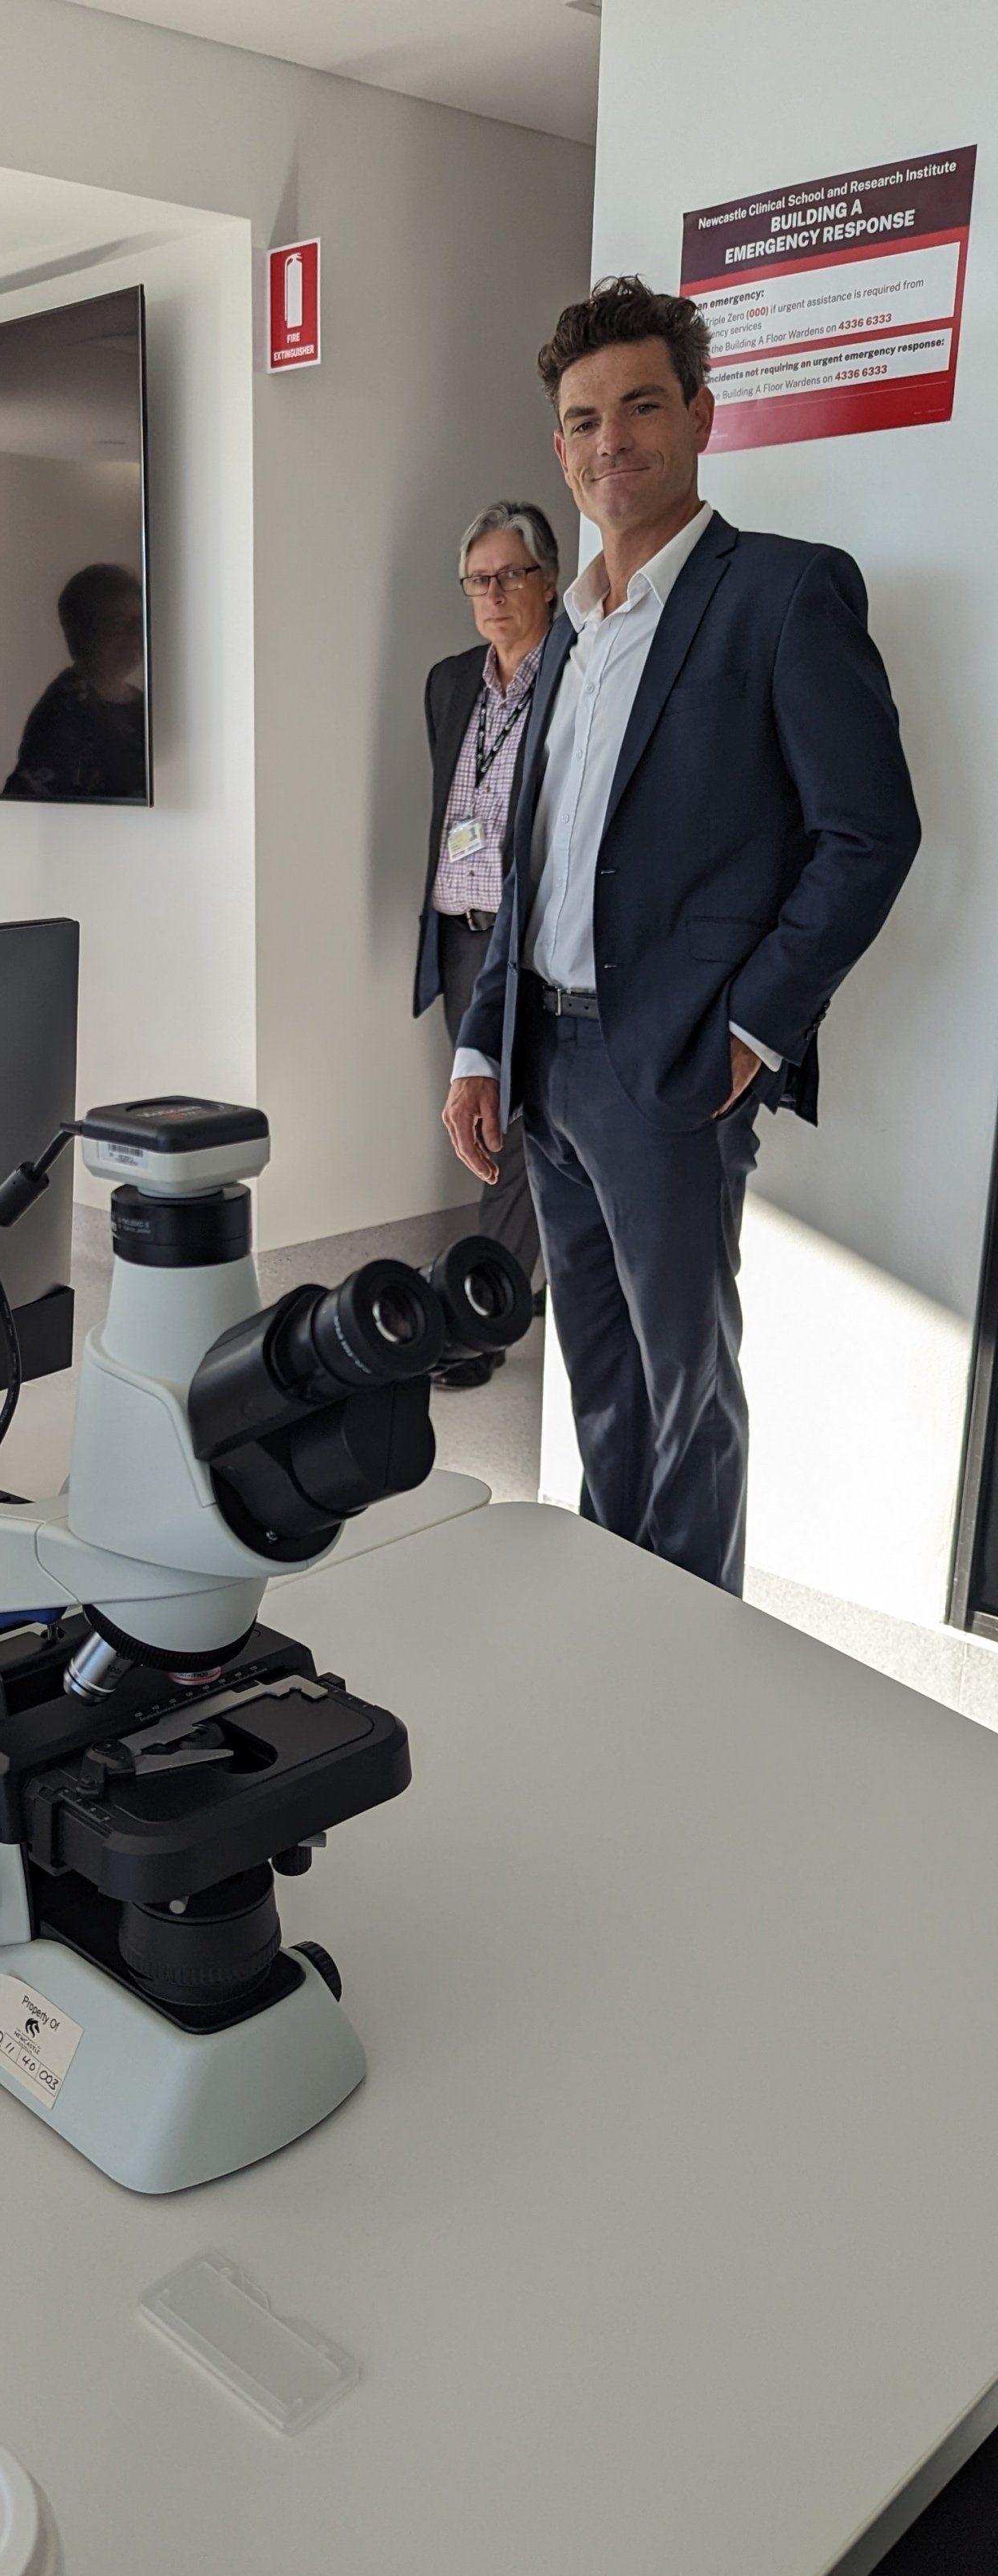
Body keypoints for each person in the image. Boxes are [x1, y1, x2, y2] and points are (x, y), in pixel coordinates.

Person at [443, 277, 920, 1594]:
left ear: (702, 415)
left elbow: (870, 834)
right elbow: (532, 858)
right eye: (585, 420)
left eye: (642, 406)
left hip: (675, 1065)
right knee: (596, 1379)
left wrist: (754, 1029)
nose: (613, 442)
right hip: (549, 1061)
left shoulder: (781, 595)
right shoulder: (568, 631)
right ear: (560, 448)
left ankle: (694, 1652)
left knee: (685, 1391)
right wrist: (483, 1045)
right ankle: (615, 1613)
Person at [418, 500, 557, 1383]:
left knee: (511, 1133)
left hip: (533, 944)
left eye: (511, 574)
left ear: (547, 580)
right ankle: (508, 1293)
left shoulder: (577, 674)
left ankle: (483, 1320)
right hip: (458, 937)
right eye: (479, 578)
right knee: (485, 1126)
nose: (494, 593)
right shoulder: (449, 679)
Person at [3, 564, 146, 801]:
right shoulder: (66, 709)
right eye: (119, 622)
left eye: (140, 621)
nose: (137, 634)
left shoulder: (139, 701)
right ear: (84, 633)